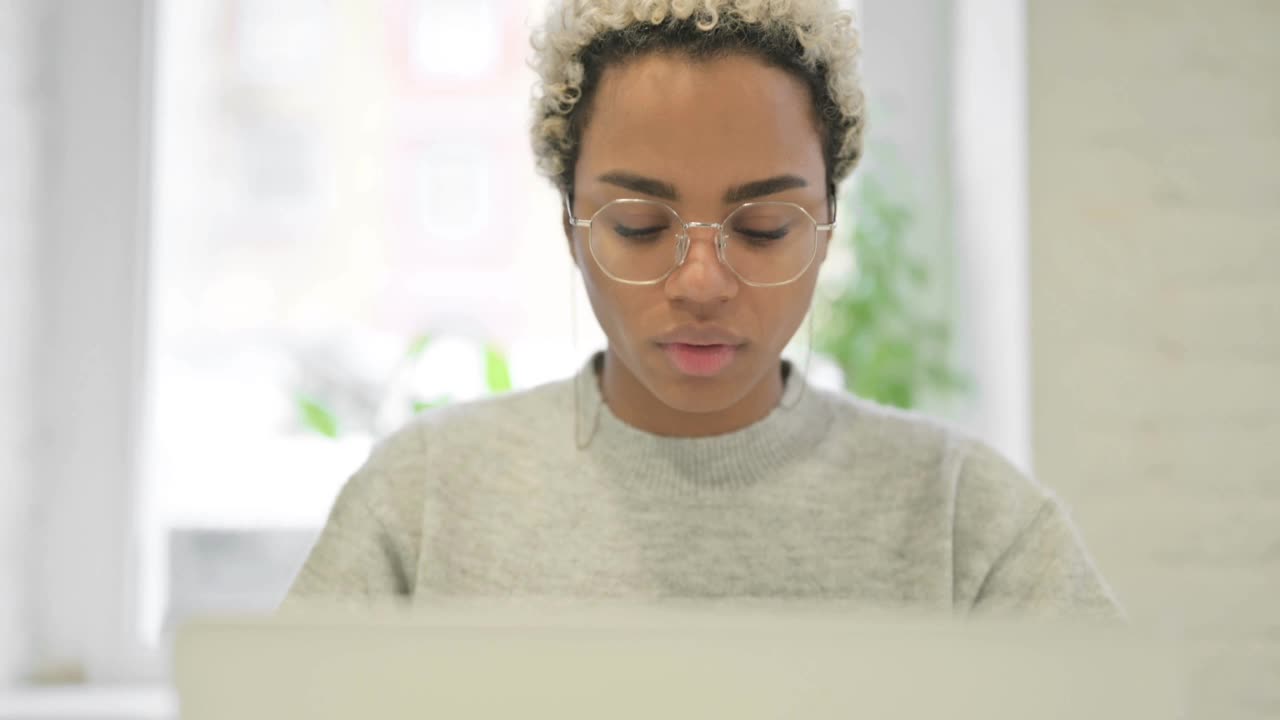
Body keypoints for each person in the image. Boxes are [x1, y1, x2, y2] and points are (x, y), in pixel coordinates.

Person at [284, 0, 1122, 620]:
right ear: (569, 225)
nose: (700, 282)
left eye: (761, 229)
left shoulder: (965, 522)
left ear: (828, 228)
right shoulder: (424, 502)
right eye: (640, 227)